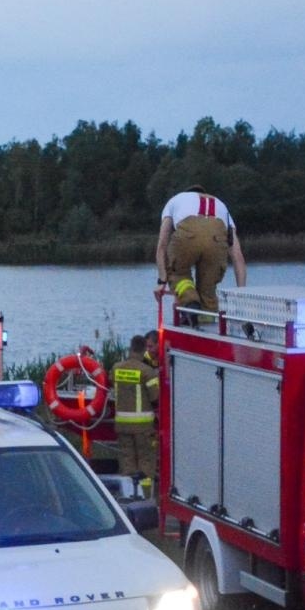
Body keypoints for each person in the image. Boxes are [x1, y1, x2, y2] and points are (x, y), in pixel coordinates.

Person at [154, 185, 248, 318]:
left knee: (177, 274)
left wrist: (162, 281)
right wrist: (241, 293)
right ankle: (206, 323)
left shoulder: (175, 200)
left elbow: (162, 245)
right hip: (218, 238)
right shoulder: (222, 206)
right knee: (208, 290)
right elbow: (238, 257)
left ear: (188, 193)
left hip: (188, 235)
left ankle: (190, 301)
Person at [111, 334, 161, 491]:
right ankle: (145, 497)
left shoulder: (116, 368)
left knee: (127, 462)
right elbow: (156, 397)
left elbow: (112, 383)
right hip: (143, 427)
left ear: (130, 348)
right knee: (146, 463)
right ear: (144, 349)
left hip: (122, 425)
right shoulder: (147, 372)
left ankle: (128, 496)